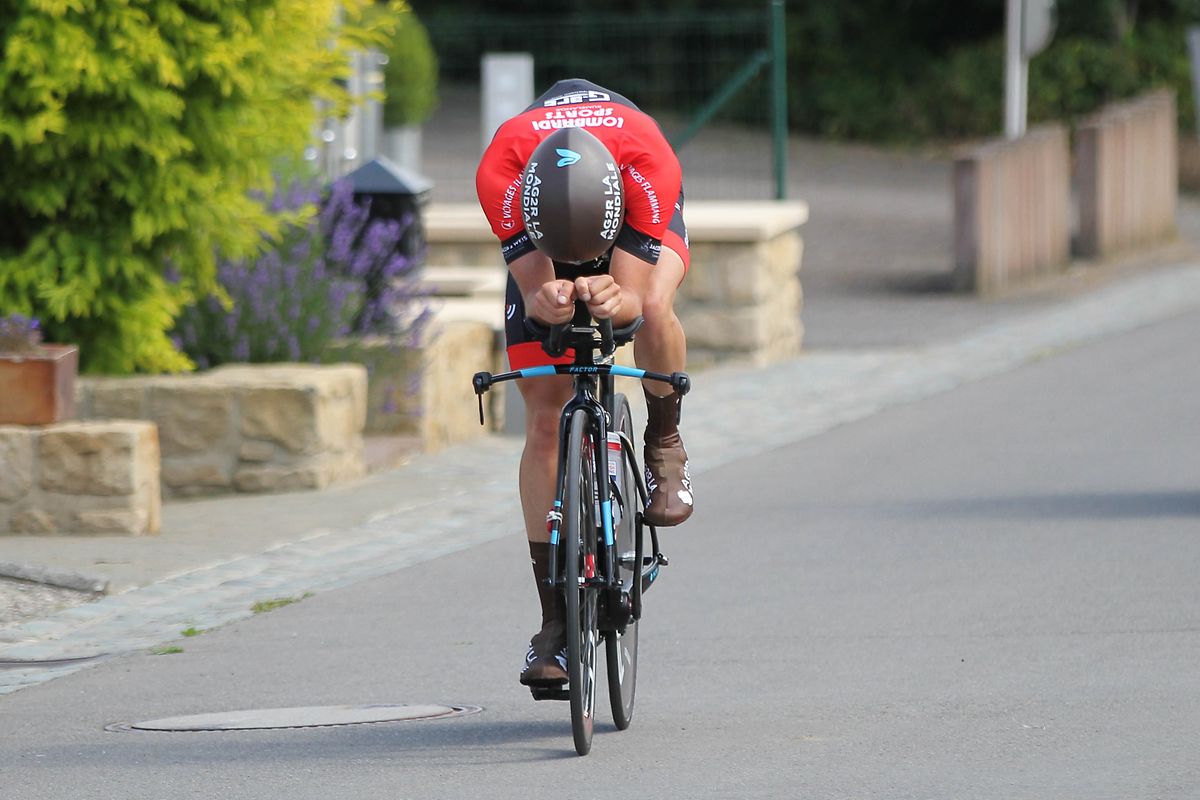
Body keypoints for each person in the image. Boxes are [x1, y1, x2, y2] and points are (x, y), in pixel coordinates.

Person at [476, 78, 693, 686]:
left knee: (653, 307)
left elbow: (631, 303)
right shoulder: (502, 170)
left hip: (633, 210)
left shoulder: (648, 159)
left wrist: (616, 297)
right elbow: (531, 288)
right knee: (546, 418)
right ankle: (554, 622)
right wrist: (543, 297)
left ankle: (665, 441)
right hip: (544, 212)